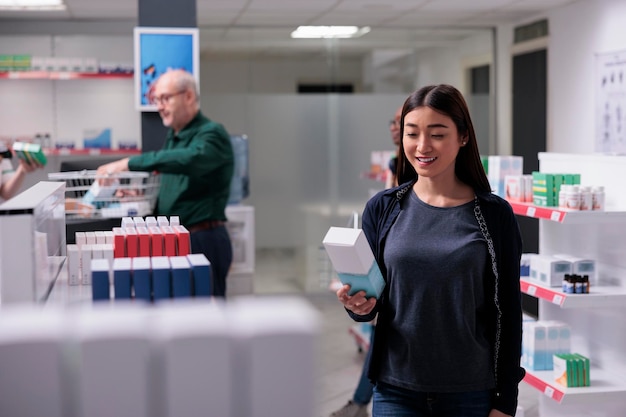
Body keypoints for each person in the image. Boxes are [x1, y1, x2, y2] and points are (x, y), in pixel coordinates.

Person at [336, 84, 524, 417]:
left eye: (437, 134)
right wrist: (357, 305)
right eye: (412, 133)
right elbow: (371, 302)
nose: (422, 146)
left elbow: (507, 312)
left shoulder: (493, 215)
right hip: (395, 387)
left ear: (463, 136)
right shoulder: (383, 208)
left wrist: (505, 400)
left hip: (469, 391)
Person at [97, 69, 234, 297]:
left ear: (188, 96)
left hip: (203, 239)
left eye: (165, 98)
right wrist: (140, 198)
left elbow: (189, 159)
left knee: (207, 318)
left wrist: (128, 163)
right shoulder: (173, 137)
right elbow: (173, 185)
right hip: (175, 239)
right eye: (156, 99)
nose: (159, 106)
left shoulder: (212, 134)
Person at [330, 106, 403, 417]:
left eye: (403, 123)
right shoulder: (393, 168)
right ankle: (360, 401)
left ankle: (359, 402)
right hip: (386, 269)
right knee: (378, 336)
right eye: (397, 123)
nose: (395, 128)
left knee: (380, 341)